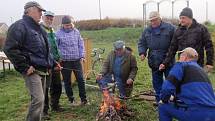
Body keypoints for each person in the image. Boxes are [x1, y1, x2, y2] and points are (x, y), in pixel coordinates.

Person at [3, 1, 53, 121]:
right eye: (39, 10)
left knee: (39, 101)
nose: (41, 14)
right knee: (39, 99)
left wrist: (52, 63)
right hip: (32, 70)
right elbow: (9, 49)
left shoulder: (40, 28)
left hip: (43, 69)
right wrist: (24, 67)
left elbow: (45, 49)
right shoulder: (19, 26)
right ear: (29, 11)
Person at [158, 47, 215, 121]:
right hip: (212, 113)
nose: (179, 58)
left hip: (196, 113)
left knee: (163, 106)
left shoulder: (181, 65)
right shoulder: (202, 71)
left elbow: (166, 88)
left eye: (180, 55)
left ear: (184, 57)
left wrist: (164, 99)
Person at [159, 7, 214, 72]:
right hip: (182, 65)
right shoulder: (178, 31)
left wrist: (209, 63)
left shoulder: (201, 29)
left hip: (197, 65)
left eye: (183, 18)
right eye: (180, 18)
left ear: (190, 18)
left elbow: (209, 46)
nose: (181, 20)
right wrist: (165, 63)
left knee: (194, 81)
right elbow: (172, 49)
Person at [138, 11, 175, 103]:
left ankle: (175, 100)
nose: (153, 22)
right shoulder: (147, 30)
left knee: (170, 82)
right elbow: (142, 42)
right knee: (157, 82)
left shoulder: (170, 28)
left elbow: (175, 44)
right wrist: (142, 52)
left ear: (160, 18)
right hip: (154, 61)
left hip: (168, 60)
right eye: (151, 21)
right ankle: (160, 101)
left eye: (155, 20)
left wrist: (167, 60)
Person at [56, 15, 88, 105]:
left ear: (72, 24)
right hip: (65, 62)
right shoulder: (58, 34)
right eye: (66, 25)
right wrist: (58, 59)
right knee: (67, 81)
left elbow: (81, 45)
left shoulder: (76, 32)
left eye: (70, 24)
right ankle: (71, 100)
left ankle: (83, 99)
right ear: (62, 25)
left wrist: (82, 56)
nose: (69, 26)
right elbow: (56, 47)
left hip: (77, 61)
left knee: (81, 80)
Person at [41, 11, 63, 119]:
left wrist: (59, 58)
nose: (49, 20)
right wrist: (49, 64)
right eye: (48, 18)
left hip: (55, 62)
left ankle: (55, 105)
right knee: (45, 88)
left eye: (51, 18)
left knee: (57, 85)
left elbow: (55, 46)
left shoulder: (52, 30)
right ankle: (44, 111)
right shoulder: (40, 30)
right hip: (46, 64)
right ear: (43, 17)